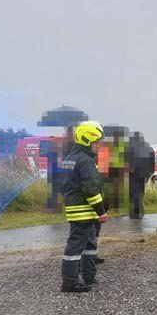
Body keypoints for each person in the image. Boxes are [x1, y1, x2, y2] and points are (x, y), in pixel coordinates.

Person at [59, 121, 108, 293]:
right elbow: (91, 188)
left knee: (89, 245)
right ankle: (70, 282)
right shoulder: (85, 160)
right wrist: (101, 211)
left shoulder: (69, 158)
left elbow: (65, 185)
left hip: (77, 208)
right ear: (87, 140)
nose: (99, 146)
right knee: (75, 247)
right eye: (97, 143)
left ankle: (88, 276)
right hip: (84, 211)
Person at [126, 131, 155, 219]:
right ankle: (139, 212)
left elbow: (124, 160)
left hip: (132, 174)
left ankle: (134, 213)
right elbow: (152, 162)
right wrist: (149, 175)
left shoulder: (129, 147)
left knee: (132, 194)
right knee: (140, 193)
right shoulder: (148, 147)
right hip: (143, 175)